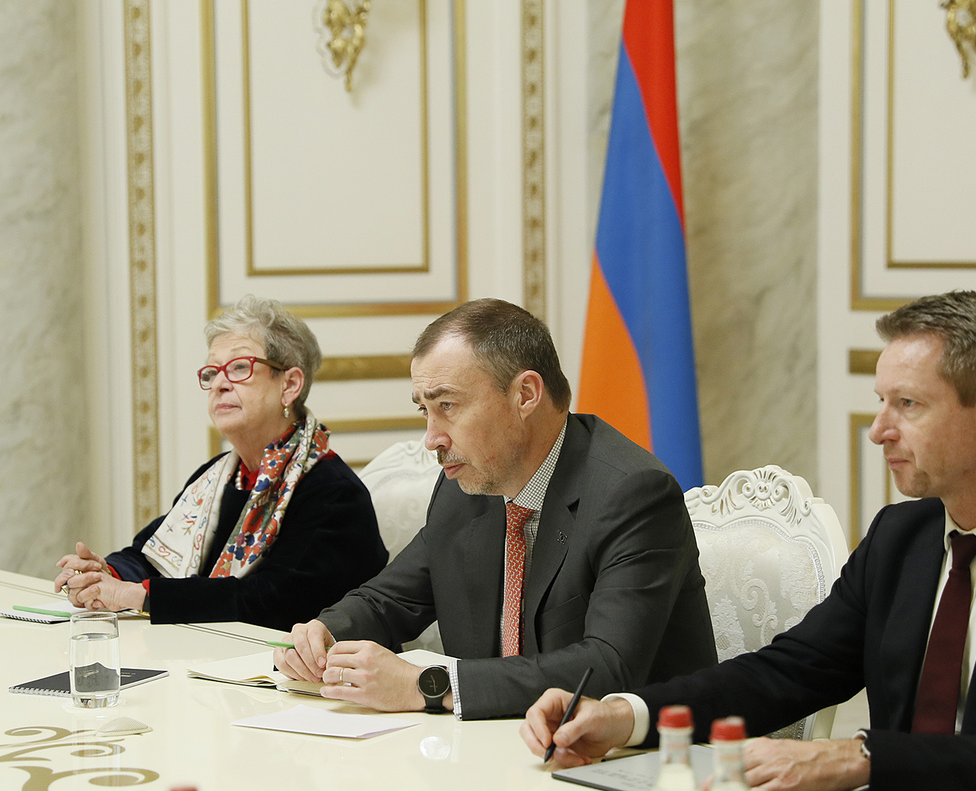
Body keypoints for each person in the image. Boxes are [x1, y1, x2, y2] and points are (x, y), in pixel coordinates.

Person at [523, 290, 976, 791]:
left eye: (908, 405)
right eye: (881, 401)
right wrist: (627, 714)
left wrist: (860, 757)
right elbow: (787, 673)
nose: (878, 431)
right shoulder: (903, 537)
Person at [275, 298, 717, 720]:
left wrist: (428, 685)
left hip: (634, 755)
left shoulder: (633, 494)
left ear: (525, 394)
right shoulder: (466, 489)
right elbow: (388, 600)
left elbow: (607, 668)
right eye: (425, 410)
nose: (432, 439)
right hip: (493, 745)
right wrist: (325, 634)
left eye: (447, 406)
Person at [54, 295, 388, 632]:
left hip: (309, 662)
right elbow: (150, 556)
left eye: (239, 367)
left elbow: (270, 601)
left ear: (289, 385)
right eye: (212, 372)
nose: (219, 384)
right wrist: (104, 574)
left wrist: (137, 596)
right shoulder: (218, 477)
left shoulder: (333, 492)